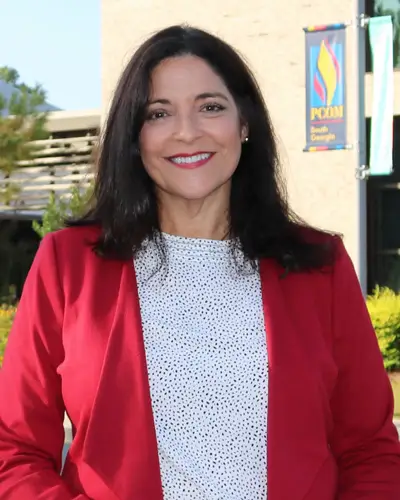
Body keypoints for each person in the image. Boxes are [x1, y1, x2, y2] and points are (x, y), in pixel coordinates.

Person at [0, 24, 399, 500]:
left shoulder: (319, 265)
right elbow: (15, 449)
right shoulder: (69, 264)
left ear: (244, 124)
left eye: (210, 107)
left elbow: (370, 452)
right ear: (135, 135)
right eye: (159, 113)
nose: (187, 132)